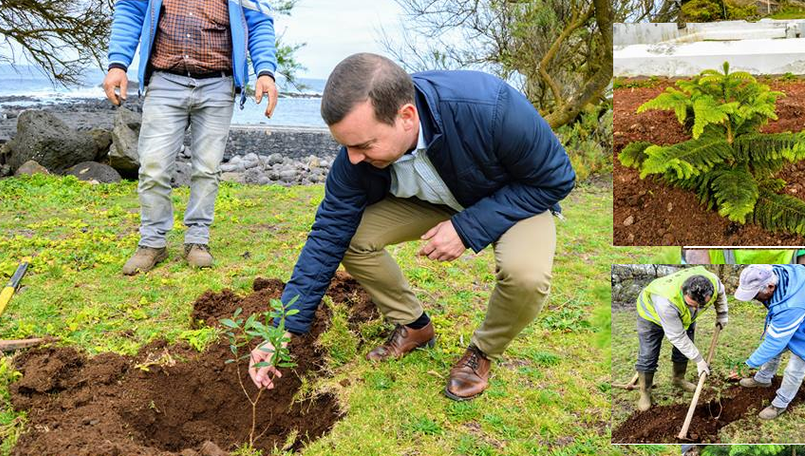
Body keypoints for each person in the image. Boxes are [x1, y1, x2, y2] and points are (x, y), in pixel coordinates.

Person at [248, 53, 575, 400]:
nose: (353, 158)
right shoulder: (354, 158)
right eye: (345, 146)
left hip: (511, 197)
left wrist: (466, 228)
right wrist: (283, 328)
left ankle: (482, 352)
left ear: (406, 117)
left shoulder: (489, 107)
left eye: (364, 145)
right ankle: (414, 326)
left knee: (526, 275)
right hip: (435, 199)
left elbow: (555, 180)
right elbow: (329, 231)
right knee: (351, 238)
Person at [103, 0, 279, 274]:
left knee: (207, 169)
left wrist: (265, 71)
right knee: (153, 167)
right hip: (164, 81)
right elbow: (130, 10)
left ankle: (197, 241)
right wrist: (118, 64)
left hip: (218, 84)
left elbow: (259, 23)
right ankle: (152, 244)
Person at [634, 266, 729, 411]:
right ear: (683, 291)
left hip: (682, 317)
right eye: (691, 305)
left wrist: (722, 314)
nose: (695, 309)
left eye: (700, 306)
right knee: (648, 354)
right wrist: (699, 360)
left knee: (685, 347)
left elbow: (720, 294)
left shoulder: (713, 283)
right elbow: (677, 337)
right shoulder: (665, 301)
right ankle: (645, 392)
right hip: (651, 316)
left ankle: (678, 379)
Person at [735, 264, 805, 420]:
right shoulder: (772, 271)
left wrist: (748, 364)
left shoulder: (791, 305)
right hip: (798, 313)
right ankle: (763, 379)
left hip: (799, 315)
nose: (753, 298)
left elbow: (774, 343)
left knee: (795, 367)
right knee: (775, 350)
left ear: (771, 286)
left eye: (755, 294)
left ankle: (780, 404)